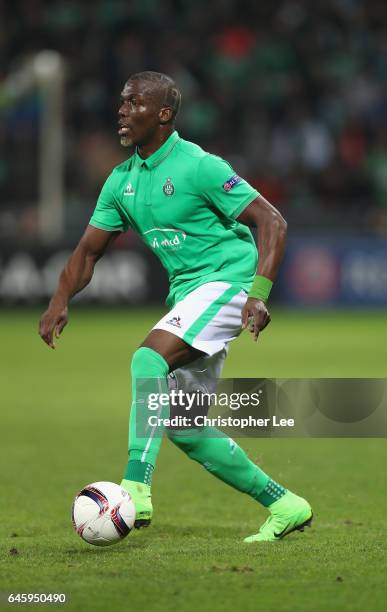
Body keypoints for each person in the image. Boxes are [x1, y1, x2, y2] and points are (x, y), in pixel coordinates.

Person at [39, 71, 312, 542]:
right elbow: (87, 253)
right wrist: (59, 300)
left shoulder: (199, 166)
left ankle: (135, 487)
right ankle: (285, 504)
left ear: (163, 114)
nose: (122, 111)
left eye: (134, 104)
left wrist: (259, 294)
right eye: (122, 103)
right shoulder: (121, 181)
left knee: (148, 357)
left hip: (230, 282)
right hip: (190, 295)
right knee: (185, 428)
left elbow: (273, 221)